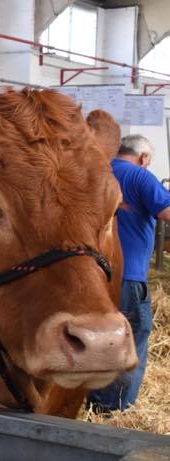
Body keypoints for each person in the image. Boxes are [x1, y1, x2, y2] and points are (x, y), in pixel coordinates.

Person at [89, 134, 170, 412]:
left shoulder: (95, 170)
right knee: (131, 336)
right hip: (129, 276)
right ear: (144, 158)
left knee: (97, 337)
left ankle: (91, 400)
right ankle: (113, 407)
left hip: (92, 275)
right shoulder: (140, 176)